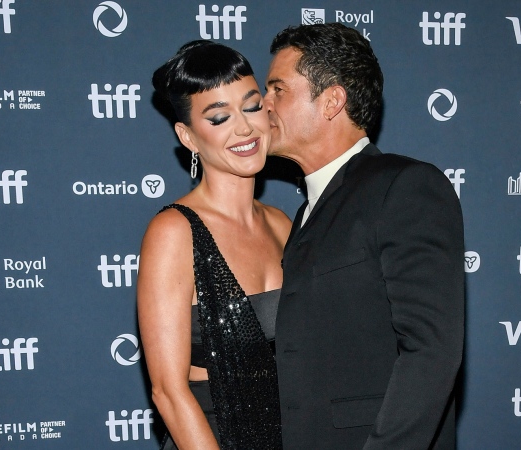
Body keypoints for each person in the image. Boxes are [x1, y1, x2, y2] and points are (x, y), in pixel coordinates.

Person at [264, 23, 465, 449]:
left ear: (332, 100)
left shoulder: (405, 186)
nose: (263, 105)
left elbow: (431, 352)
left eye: (278, 89)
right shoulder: (305, 213)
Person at [137, 40, 290, 450]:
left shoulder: (282, 224)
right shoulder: (174, 232)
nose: (244, 128)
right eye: (220, 117)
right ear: (187, 136)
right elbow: (168, 392)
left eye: (253, 106)